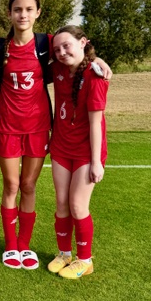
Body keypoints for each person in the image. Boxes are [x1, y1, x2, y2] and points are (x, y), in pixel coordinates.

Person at [0, 0, 111, 271]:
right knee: (11, 185)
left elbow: (76, 53)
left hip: (38, 127)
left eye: (28, 9)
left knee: (28, 185)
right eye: (17, 9)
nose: (23, 15)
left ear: (38, 13)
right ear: (9, 13)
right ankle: (10, 245)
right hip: (7, 127)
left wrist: (97, 60)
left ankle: (24, 245)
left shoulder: (46, 43)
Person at [47, 25, 109, 278]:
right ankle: (64, 253)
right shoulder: (58, 68)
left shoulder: (95, 76)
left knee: (77, 205)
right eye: (57, 49)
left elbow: (96, 123)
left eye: (67, 46)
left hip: (86, 151)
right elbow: (35, 42)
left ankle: (85, 260)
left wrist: (96, 162)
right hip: (61, 146)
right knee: (62, 203)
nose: (62, 52)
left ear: (83, 42)